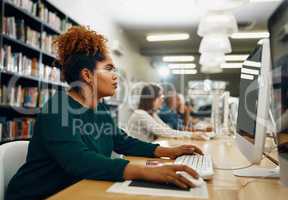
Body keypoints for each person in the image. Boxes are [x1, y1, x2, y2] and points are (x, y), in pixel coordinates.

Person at [5, 26, 203, 200]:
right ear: (87, 75)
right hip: (40, 195)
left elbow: (123, 141)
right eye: (109, 69)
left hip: (78, 189)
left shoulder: (100, 108)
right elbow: (80, 161)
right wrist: (145, 172)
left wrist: (171, 152)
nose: (116, 76)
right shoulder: (57, 110)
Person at [127, 84, 210, 142]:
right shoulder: (140, 114)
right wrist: (191, 135)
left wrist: (192, 134)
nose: (162, 100)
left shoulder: (151, 114)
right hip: (134, 157)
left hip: (143, 153)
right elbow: (162, 131)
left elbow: (166, 129)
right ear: (151, 99)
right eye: (160, 97)